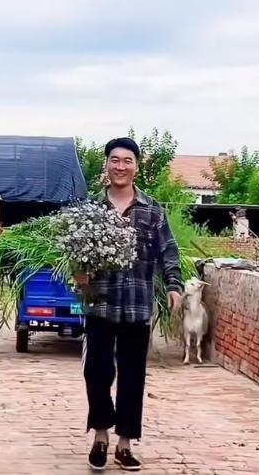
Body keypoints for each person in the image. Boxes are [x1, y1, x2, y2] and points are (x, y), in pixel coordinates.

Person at [81, 137, 183, 472]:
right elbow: (75, 255)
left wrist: (174, 286)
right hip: (100, 304)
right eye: (114, 160)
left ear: (136, 166)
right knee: (96, 371)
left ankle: (124, 443)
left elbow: (168, 252)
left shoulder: (152, 211)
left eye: (127, 160)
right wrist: (79, 274)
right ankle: (100, 435)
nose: (120, 166)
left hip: (137, 306)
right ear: (106, 165)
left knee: (132, 376)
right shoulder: (92, 210)